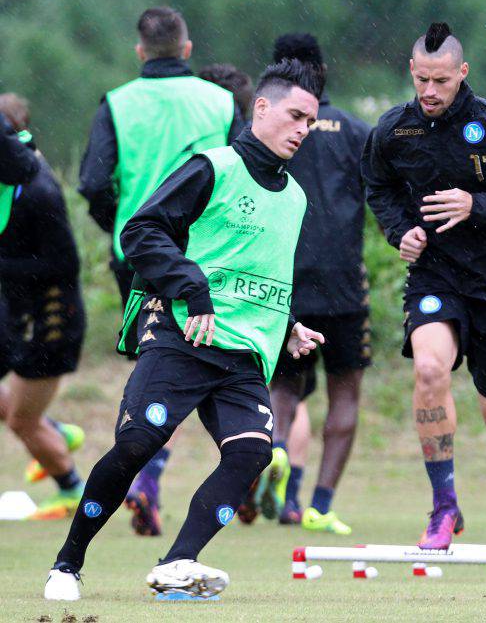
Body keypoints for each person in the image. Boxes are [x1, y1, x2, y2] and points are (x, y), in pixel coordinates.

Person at [43, 59, 325, 602]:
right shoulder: (211, 166)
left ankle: (176, 564)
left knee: (251, 453)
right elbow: (141, 231)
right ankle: (67, 564)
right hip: (182, 337)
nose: (302, 130)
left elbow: (255, 271)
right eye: (295, 116)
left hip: (243, 355)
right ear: (260, 108)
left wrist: (287, 326)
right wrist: (189, 285)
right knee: (136, 446)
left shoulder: (295, 197)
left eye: (310, 122)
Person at [363, 22, 486, 578]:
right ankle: (444, 507)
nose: (429, 91)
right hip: (436, 275)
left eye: (441, 81)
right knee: (429, 369)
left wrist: (478, 205)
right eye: (421, 80)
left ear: (463, 73)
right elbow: (376, 186)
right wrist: (400, 229)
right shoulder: (394, 131)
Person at [78, 6, 245, 536]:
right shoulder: (219, 101)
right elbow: (241, 174)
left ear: (140, 51)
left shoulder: (119, 103)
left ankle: (145, 468)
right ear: (187, 48)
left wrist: (121, 224)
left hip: (143, 261)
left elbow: (92, 182)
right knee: (205, 363)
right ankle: (205, 463)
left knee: (156, 367)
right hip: (209, 258)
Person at [258, 32, 372, 534]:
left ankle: (278, 451)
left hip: (287, 278)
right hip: (345, 280)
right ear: (324, 73)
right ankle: (321, 505)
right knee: (344, 391)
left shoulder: (265, 128)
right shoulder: (355, 131)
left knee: (284, 385)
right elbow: (385, 199)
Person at [0, 94, 87, 520]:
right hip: (18, 313)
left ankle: (74, 490)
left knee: (20, 421)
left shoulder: (39, 192)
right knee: (22, 416)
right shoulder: (10, 184)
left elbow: (66, 264)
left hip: (51, 321)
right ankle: (55, 432)